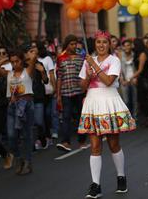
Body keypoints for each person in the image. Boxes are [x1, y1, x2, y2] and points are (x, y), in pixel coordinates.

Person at [79, 30, 135, 199]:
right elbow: (82, 87)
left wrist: (93, 66)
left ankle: (121, 177)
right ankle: (95, 185)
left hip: (109, 102)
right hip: (92, 103)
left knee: (113, 144)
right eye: (98, 42)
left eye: (104, 42)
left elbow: (108, 81)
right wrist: (88, 76)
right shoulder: (88, 61)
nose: (101, 45)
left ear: (109, 44)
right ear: (95, 44)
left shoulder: (114, 60)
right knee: (95, 146)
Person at [4, 48, 39, 175]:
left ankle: (28, 162)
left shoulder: (28, 71)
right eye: (12, 62)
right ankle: (19, 158)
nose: (14, 64)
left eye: (17, 61)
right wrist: (5, 58)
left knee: (26, 135)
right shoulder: (8, 73)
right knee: (11, 136)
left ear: (22, 60)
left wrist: (25, 56)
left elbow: (34, 56)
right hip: (12, 106)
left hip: (26, 105)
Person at [56, 34, 87, 152]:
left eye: (75, 44)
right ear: (67, 45)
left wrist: (85, 91)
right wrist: (58, 95)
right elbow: (59, 77)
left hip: (79, 91)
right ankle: (66, 142)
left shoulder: (81, 58)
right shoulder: (60, 58)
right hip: (65, 92)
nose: (74, 46)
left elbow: (84, 76)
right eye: (71, 44)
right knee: (66, 117)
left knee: (80, 116)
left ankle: (82, 140)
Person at [134, 38, 148, 127]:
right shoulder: (140, 53)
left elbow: (140, 69)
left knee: (143, 100)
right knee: (143, 100)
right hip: (143, 78)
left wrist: (130, 78)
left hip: (144, 79)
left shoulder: (142, 54)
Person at [119, 39, 138, 117]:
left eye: (128, 45)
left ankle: (135, 116)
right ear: (123, 47)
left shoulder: (135, 55)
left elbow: (137, 68)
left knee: (135, 100)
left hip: (133, 79)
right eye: (125, 46)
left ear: (131, 46)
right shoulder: (120, 55)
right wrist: (121, 79)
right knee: (126, 100)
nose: (126, 47)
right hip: (124, 80)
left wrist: (136, 78)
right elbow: (119, 69)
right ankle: (128, 117)